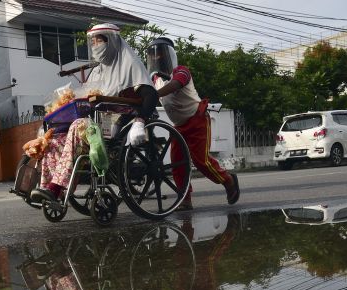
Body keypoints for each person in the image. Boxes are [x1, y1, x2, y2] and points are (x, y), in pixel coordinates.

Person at [30, 23, 159, 204]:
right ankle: (46, 188)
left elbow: (151, 95)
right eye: (93, 41)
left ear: (111, 42)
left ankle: (56, 189)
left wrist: (140, 122)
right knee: (53, 138)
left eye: (100, 40)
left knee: (78, 126)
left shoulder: (129, 64)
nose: (95, 45)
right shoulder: (97, 70)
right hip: (96, 121)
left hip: (117, 122)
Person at [146, 37, 240, 210]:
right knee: (178, 165)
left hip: (197, 120)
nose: (157, 58)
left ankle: (228, 180)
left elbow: (175, 85)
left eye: (160, 53)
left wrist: (153, 94)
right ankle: (185, 198)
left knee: (201, 161)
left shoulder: (181, 71)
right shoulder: (154, 80)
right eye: (153, 55)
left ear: (169, 55)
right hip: (178, 127)